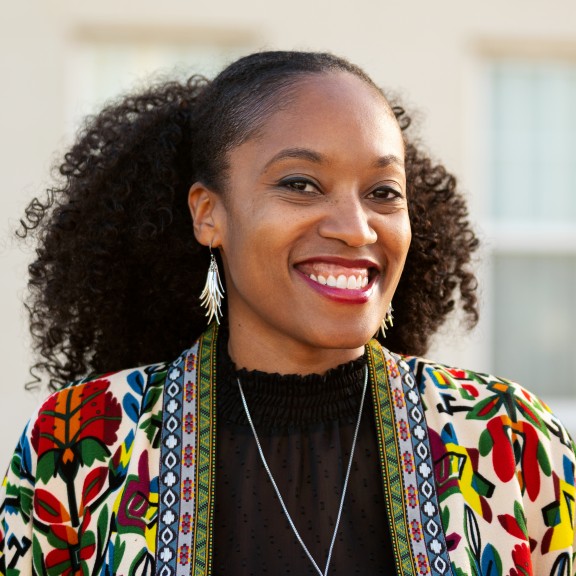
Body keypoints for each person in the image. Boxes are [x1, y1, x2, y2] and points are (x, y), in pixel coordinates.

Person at [0, 51, 574, 576]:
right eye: (301, 184)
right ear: (209, 215)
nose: (355, 228)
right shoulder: (77, 445)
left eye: (383, 191)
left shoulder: (510, 440)